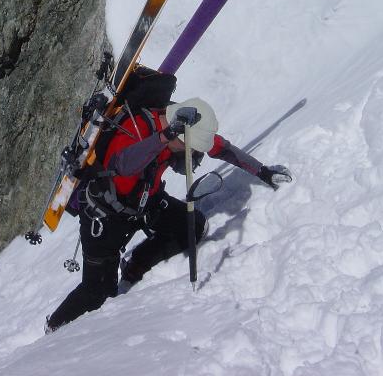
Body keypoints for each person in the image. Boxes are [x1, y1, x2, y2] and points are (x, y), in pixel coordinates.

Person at [44, 68, 292, 333]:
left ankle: (136, 264)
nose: (193, 155)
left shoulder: (185, 124)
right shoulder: (136, 129)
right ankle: (54, 328)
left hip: (146, 203)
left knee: (192, 226)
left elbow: (224, 149)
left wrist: (263, 171)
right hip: (105, 216)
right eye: (191, 150)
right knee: (98, 293)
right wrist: (164, 137)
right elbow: (123, 165)